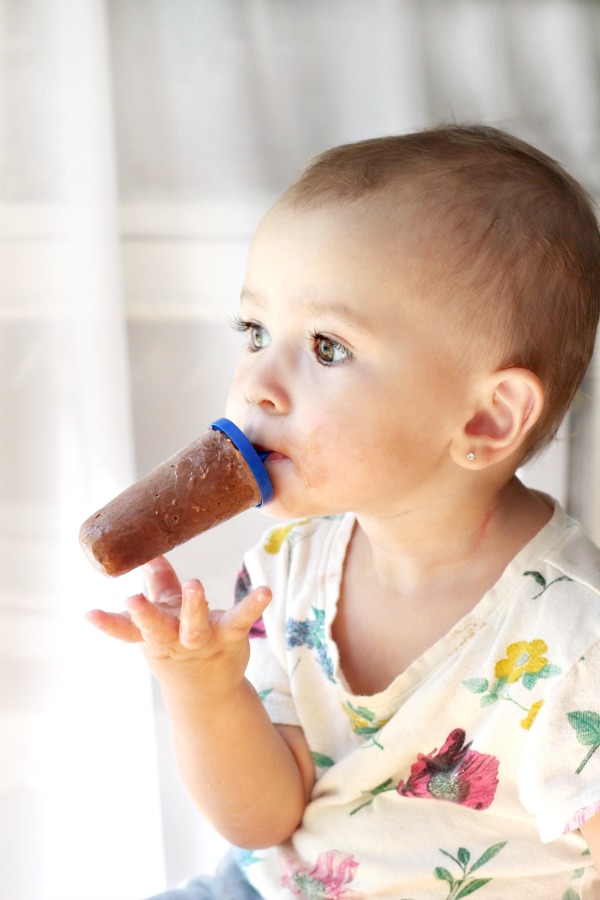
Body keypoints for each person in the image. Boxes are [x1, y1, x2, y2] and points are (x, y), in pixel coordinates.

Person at [87, 124, 600, 899]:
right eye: (256, 331)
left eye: (327, 347)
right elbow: (264, 820)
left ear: (487, 420)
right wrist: (203, 687)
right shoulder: (287, 567)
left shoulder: (573, 636)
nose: (258, 380)